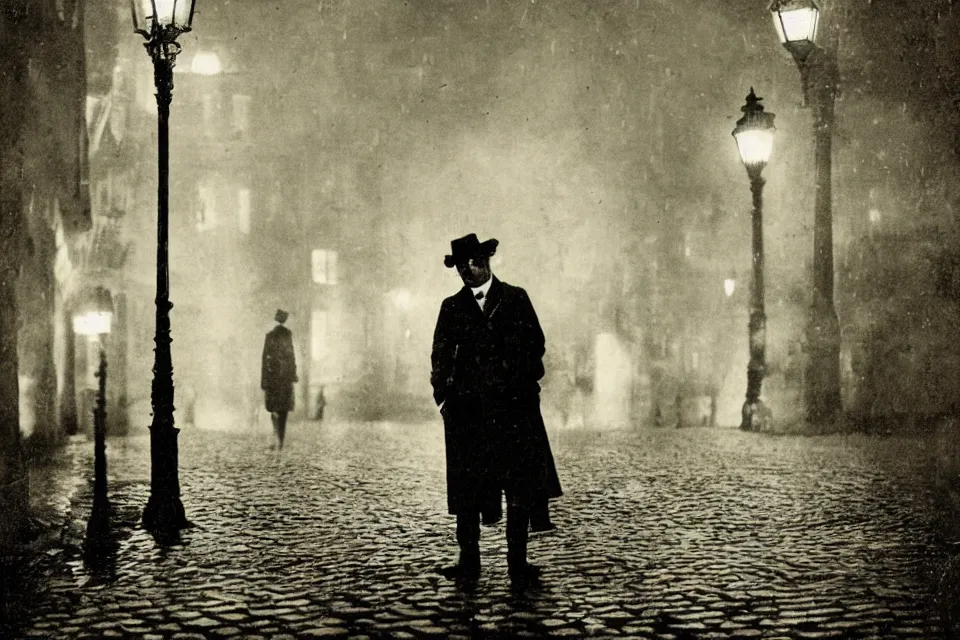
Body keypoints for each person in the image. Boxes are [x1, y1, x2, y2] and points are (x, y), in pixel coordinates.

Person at [430, 233, 562, 588]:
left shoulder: (515, 299)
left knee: (518, 486)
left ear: (486, 262)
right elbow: (439, 357)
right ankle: (467, 561)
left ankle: (518, 562)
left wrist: (521, 380)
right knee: (467, 488)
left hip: (514, 412)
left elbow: (537, 345)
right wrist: (443, 398)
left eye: (471, 263)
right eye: (459, 266)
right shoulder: (451, 307)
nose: (465, 271)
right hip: (467, 414)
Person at [261, 309, 298, 449]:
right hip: (285, 378)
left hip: (272, 378)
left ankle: (277, 434)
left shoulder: (270, 336)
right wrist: (293, 374)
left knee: (274, 409)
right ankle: (280, 438)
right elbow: (291, 355)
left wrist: (264, 380)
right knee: (283, 410)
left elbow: (264, 359)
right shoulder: (287, 335)